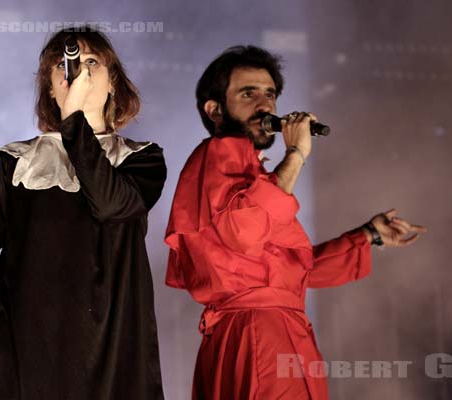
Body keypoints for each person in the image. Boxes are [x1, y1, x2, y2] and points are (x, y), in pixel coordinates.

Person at [164, 45, 426, 400]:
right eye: (248, 93)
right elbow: (247, 231)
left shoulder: (252, 176)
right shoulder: (218, 154)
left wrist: (367, 237)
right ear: (215, 110)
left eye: (270, 94)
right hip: (260, 336)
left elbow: (291, 271)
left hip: (268, 333)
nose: (265, 105)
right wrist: (297, 154)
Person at [0, 26, 165, 399]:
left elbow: (110, 203)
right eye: (63, 67)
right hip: (34, 354)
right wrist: (37, 295)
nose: (77, 74)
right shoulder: (12, 163)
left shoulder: (142, 158)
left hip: (114, 349)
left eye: (91, 63)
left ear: (113, 82)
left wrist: (74, 124)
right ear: (51, 88)